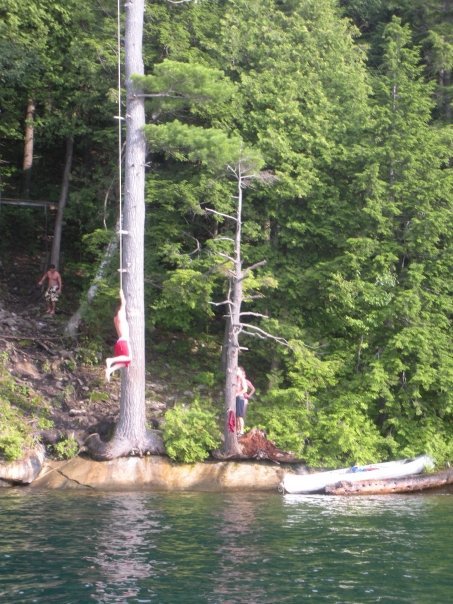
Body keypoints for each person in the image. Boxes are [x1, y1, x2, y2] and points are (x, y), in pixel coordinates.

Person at [105, 289, 132, 381]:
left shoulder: (115, 318)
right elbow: (123, 303)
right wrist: (121, 294)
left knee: (126, 362)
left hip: (119, 342)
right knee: (128, 358)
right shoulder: (121, 315)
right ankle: (111, 361)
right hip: (124, 341)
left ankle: (110, 370)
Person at [235, 366, 256, 436]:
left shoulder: (244, 380)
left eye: (238, 370)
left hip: (241, 398)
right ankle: (237, 430)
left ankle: (241, 430)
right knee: (237, 415)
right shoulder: (236, 379)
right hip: (237, 398)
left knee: (240, 415)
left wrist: (249, 395)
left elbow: (246, 389)